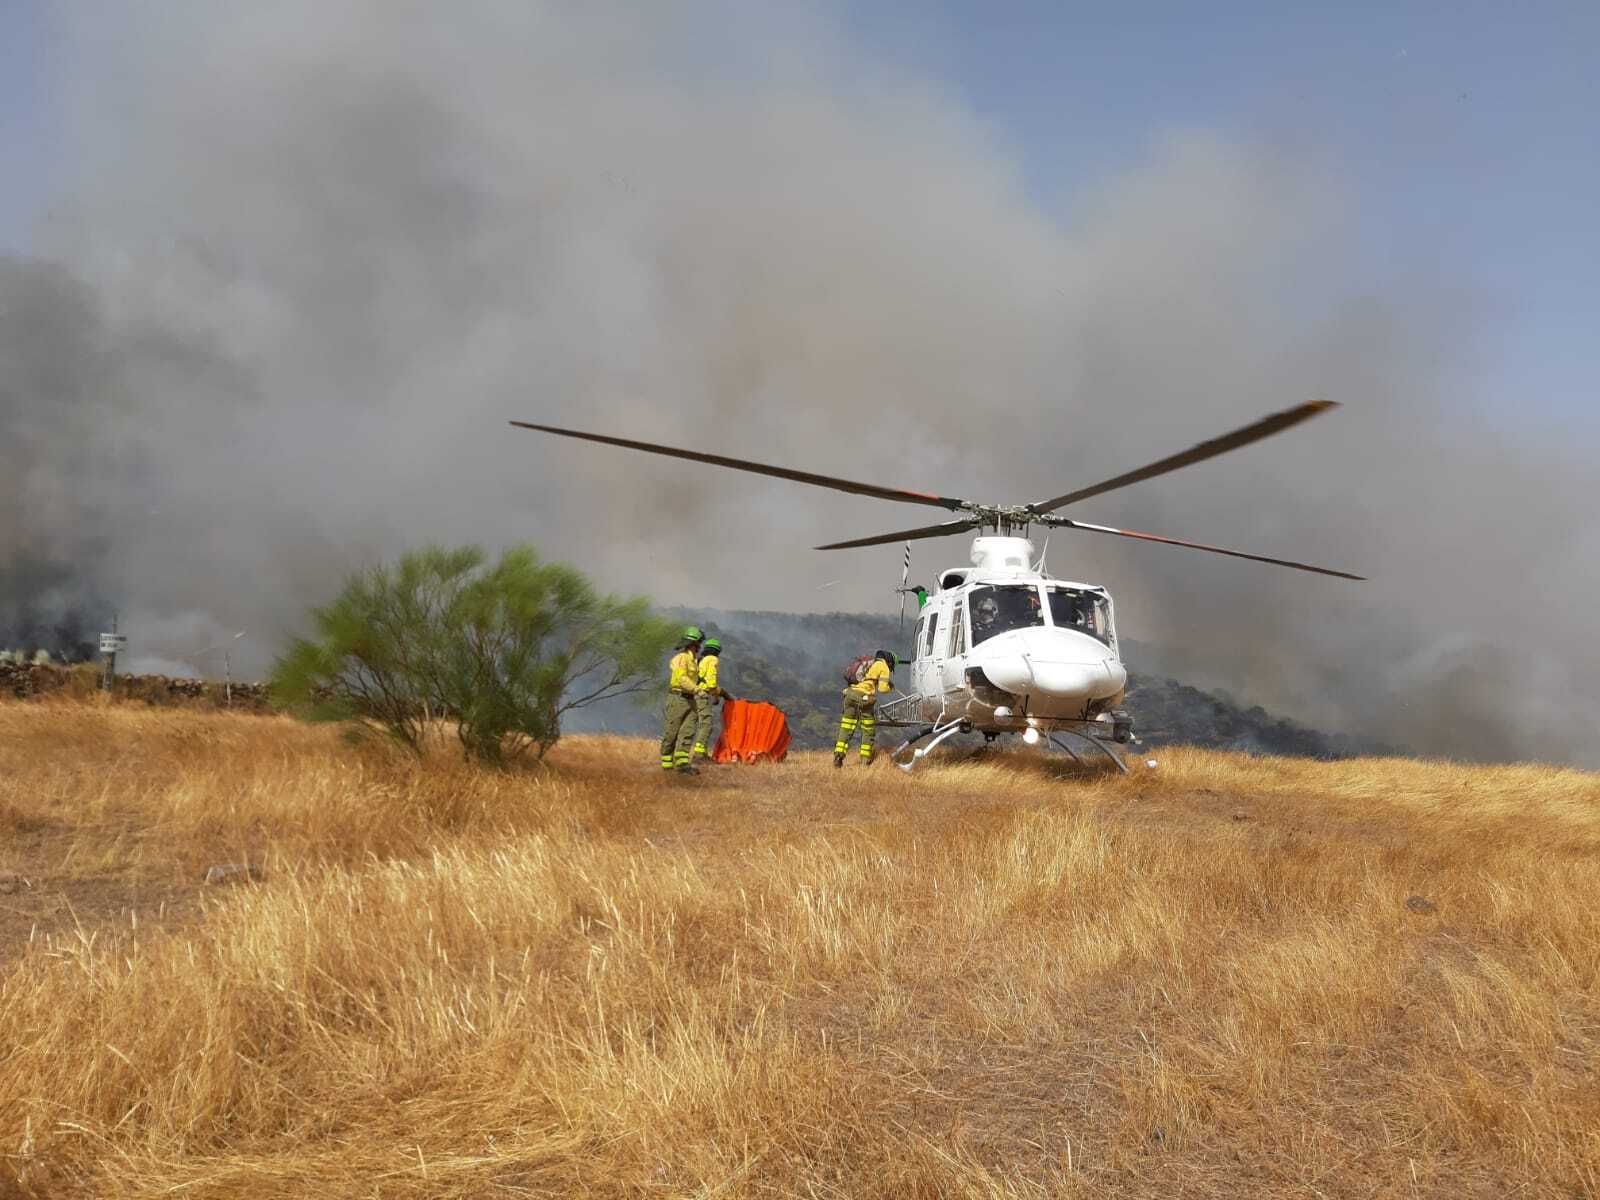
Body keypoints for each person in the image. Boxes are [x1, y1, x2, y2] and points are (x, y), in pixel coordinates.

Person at [834, 649, 896, 767]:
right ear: (890, 662)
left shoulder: (869, 663)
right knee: (868, 730)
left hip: (850, 695)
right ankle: (864, 761)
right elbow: (882, 689)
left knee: (846, 728)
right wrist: (890, 687)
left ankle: (838, 756)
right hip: (864, 699)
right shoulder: (883, 667)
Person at [660, 626, 704, 774]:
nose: (700, 646)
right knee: (672, 732)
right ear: (693, 643)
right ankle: (666, 765)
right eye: (699, 643)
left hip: (691, 700)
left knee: (688, 732)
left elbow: (694, 680)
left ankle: (682, 765)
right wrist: (697, 689)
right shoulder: (680, 659)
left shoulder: (694, 661)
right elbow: (681, 678)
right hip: (678, 699)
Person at [691, 637, 735, 764]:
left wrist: (715, 696)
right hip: (703, 694)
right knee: (706, 725)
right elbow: (711, 682)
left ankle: (703, 754)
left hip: (695, 694)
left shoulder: (701, 659)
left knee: (701, 724)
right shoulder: (712, 659)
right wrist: (722, 694)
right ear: (717, 651)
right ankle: (699, 755)